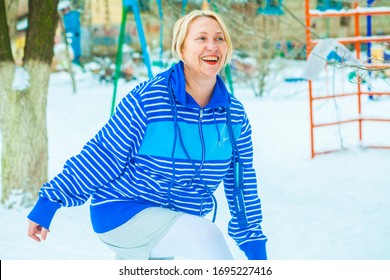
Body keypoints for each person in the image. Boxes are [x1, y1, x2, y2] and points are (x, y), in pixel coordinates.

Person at [27, 9, 268, 260]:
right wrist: (50, 200)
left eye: (220, 39)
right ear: (181, 49)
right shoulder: (151, 99)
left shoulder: (234, 117)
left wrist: (254, 245)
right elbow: (105, 153)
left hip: (173, 219)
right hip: (122, 210)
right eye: (201, 38)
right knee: (205, 236)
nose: (213, 46)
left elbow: (242, 185)